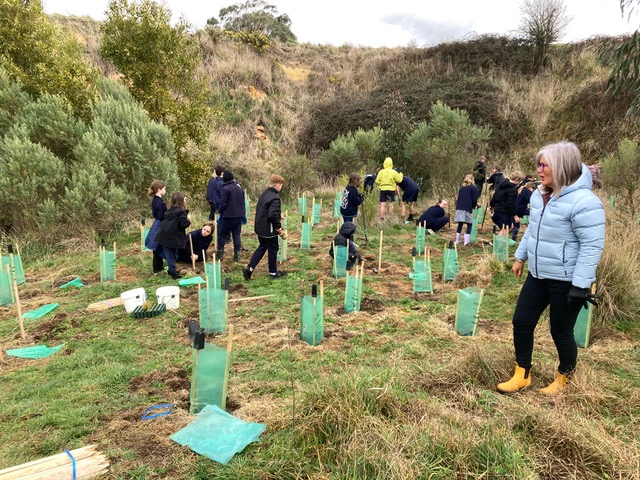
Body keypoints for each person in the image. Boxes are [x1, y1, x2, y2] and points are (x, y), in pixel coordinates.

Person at [497, 141, 605, 395]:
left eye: (544, 165)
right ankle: (522, 374)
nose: (539, 169)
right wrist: (520, 257)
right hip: (538, 275)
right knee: (521, 321)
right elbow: (533, 231)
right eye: (539, 164)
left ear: (562, 166)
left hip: (567, 280)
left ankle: (563, 379)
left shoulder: (584, 202)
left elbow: (592, 246)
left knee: (561, 331)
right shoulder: (539, 195)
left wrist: (580, 285)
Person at [243, 174, 287, 280]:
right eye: (281, 185)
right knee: (273, 248)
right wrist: (278, 228)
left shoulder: (264, 194)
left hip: (260, 227)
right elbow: (272, 215)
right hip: (269, 229)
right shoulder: (275, 198)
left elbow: (265, 210)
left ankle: (249, 268)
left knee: (262, 247)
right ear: (278, 185)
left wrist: (278, 213)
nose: (281, 187)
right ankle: (273, 273)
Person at [154, 192, 191, 280]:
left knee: (172, 253)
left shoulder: (170, 210)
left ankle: (172, 269)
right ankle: (172, 272)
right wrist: (189, 219)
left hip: (164, 235)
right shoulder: (181, 212)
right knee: (171, 254)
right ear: (181, 200)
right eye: (185, 199)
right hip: (171, 237)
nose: (185, 200)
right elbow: (183, 224)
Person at [216, 171, 246, 262]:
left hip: (228, 216)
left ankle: (220, 255)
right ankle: (237, 257)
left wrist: (220, 211)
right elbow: (242, 201)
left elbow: (223, 203)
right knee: (236, 236)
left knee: (221, 234)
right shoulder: (239, 188)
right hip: (239, 216)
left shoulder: (225, 189)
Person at [144, 180, 167, 274]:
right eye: (164, 189)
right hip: (159, 225)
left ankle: (158, 267)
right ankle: (157, 269)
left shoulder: (155, 200)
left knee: (157, 246)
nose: (165, 190)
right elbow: (162, 216)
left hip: (157, 223)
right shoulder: (159, 202)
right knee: (157, 247)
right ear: (159, 190)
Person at [454, 174, 479, 245]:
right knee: (469, 224)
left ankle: (457, 240)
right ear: (472, 180)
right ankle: (466, 242)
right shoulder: (473, 188)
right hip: (467, 208)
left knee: (460, 224)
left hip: (459, 207)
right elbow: (474, 200)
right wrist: (474, 206)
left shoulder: (462, 188)